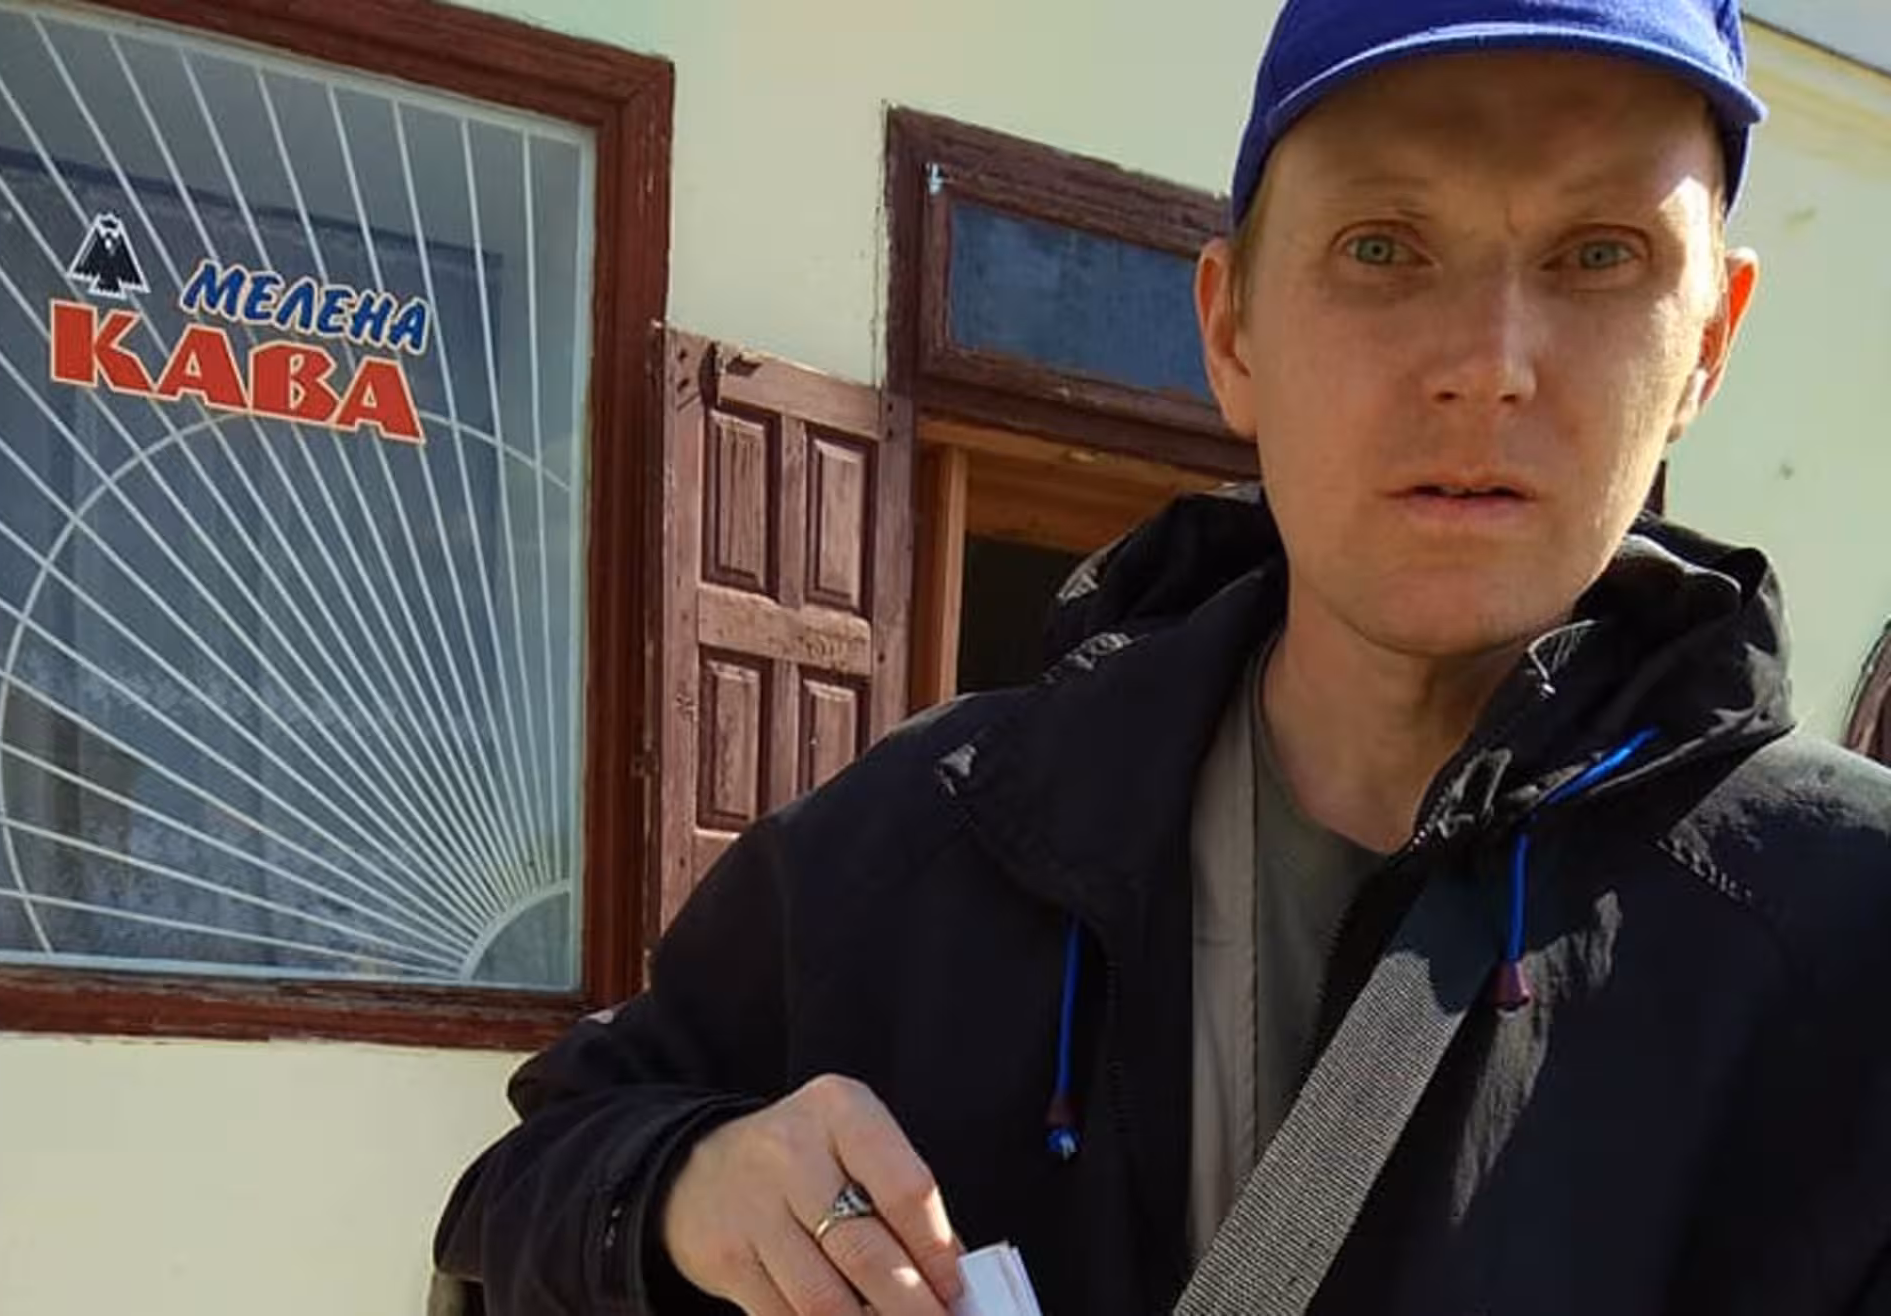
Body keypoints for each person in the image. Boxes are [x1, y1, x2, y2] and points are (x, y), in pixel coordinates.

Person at [433, 0, 1891, 1311]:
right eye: (1382, 247)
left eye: (1599, 254)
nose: (1487, 363)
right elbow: (520, 1196)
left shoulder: (1851, 939)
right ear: (1232, 327)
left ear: (1709, 342)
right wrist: (683, 1191)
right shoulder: (916, 842)